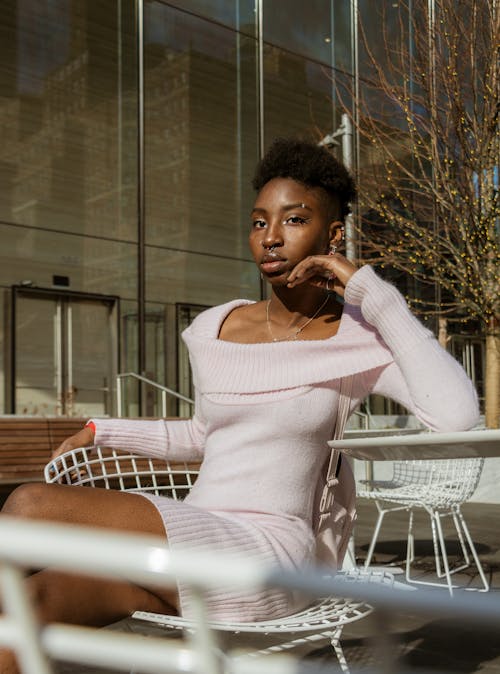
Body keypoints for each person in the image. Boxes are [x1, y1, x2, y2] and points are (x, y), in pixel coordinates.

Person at [0, 138, 479, 670]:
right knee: (26, 610)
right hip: (194, 536)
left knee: (28, 506)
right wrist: (101, 430)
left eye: (294, 220)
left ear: (333, 234)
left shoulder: (357, 337)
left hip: (270, 557)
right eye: (258, 223)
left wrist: (372, 292)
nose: (271, 238)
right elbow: (202, 435)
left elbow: (456, 415)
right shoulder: (216, 327)